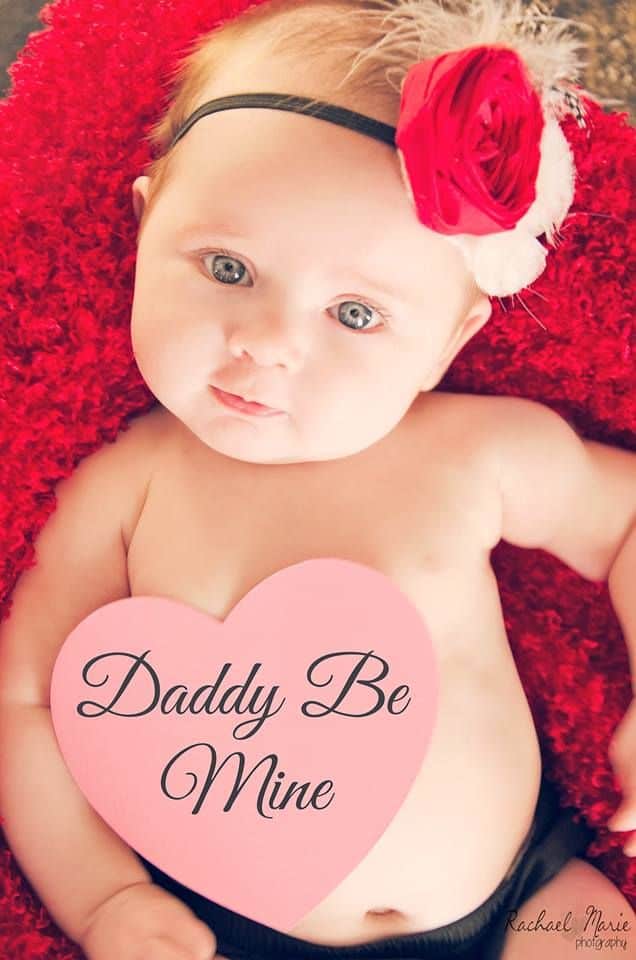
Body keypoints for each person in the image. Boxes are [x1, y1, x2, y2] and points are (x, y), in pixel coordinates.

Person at [0, 1, 634, 959]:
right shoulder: (126, 487)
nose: (269, 343)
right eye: (226, 266)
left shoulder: (472, 454)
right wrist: (104, 899)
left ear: (447, 341)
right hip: (218, 917)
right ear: (141, 231)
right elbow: (26, 700)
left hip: (521, 897)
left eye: (355, 313)